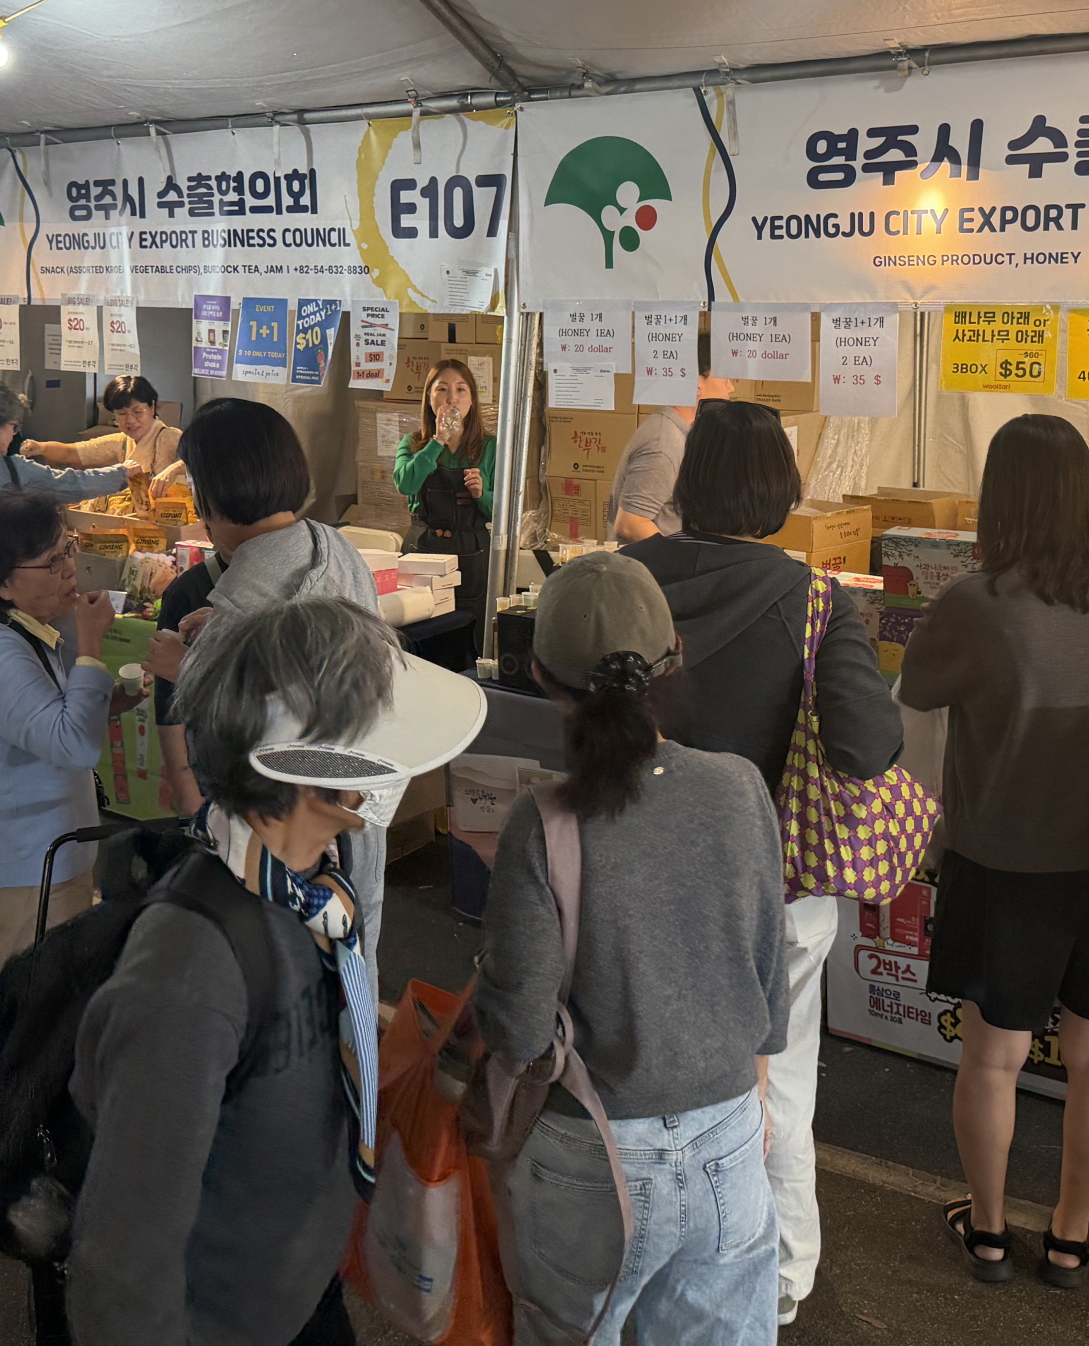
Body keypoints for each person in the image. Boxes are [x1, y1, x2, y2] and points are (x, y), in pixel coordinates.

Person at [67, 597, 483, 1346]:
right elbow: (123, 1259)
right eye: (372, 734)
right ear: (304, 768)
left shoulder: (317, 892)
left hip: (302, 1287)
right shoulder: (191, 969)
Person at [897, 413, 1089, 1288]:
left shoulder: (973, 602)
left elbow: (914, 701)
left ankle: (988, 1231)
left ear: (1000, 499)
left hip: (1003, 861)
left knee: (993, 1058)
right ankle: (1068, 1236)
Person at [622, 400, 900, 1325]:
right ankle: (776, 1272)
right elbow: (865, 744)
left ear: (690, 479)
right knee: (779, 1079)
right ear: (782, 486)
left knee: (635, 1070)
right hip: (772, 892)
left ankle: (645, 1251)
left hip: (634, 876)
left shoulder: (626, 579)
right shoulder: (815, 599)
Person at [476, 550, 788, 1342]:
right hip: (728, 1134)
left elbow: (518, 1028)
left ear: (540, 675)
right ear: (673, 655)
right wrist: (751, 1093)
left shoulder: (541, 824)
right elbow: (768, 969)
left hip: (593, 1150)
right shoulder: (739, 785)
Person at [141, 398, 385, 967]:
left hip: (295, 833)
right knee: (355, 944)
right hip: (359, 800)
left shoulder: (245, 590)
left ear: (210, 494)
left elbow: (269, 726)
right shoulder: (332, 544)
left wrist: (185, 668)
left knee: (289, 966)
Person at [0, 490, 140, 1086]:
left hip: (23, 859)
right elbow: (72, 746)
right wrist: (91, 647)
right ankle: (24, 1138)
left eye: (68, 549)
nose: (70, 569)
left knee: (18, 1020)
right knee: (39, 1028)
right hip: (19, 869)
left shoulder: (10, 630)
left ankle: (8, 1135)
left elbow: (43, 725)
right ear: (2, 583)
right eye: (52, 561)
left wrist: (108, 701)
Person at [392, 356, 496, 653]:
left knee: (466, 641)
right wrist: (437, 441)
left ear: (472, 400)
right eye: (442, 389)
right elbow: (405, 484)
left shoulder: (490, 448)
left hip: (471, 557)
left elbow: (504, 512)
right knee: (421, 638)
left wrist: (482, 494)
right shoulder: (412, 443)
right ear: (429, 398)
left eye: (461, 390)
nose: (452, 398)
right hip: (422, 553)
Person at [607, 334, 736, 542]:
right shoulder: (663, 443)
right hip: (655, 563)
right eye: (724, 378)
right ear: (696, 382)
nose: (731, 388)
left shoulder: (682, 433)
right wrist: (676, 556)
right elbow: (630, 525)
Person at [0, 381, 131, 502]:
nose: (14, 434)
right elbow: (72, 484)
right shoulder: (11, 468)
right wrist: (123, 473)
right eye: (13, 426)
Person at [22, 374, 183, 484]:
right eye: (122, 414)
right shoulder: (122, 442)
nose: (130, 420)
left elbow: (196, 462)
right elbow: (71, 453)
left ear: (152, 407)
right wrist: (41, 447)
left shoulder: (170, 437)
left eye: (138, 412)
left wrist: (174, 470)